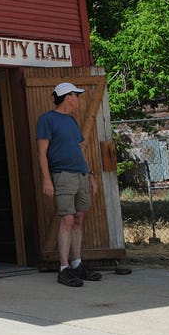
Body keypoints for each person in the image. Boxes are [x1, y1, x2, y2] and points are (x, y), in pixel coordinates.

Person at [36, 81, 102, 287]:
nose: (79, 99)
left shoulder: (72, 122)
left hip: (81, 174)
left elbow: (79, 150)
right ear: (67, 97)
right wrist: (47, 178)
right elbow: (42, 152)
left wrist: (90, 175)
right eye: (77, 95)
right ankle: (63, 268)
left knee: (79, 218)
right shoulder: (47, 119)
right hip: (63, 175)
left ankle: (77, 263)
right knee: (67, 219)